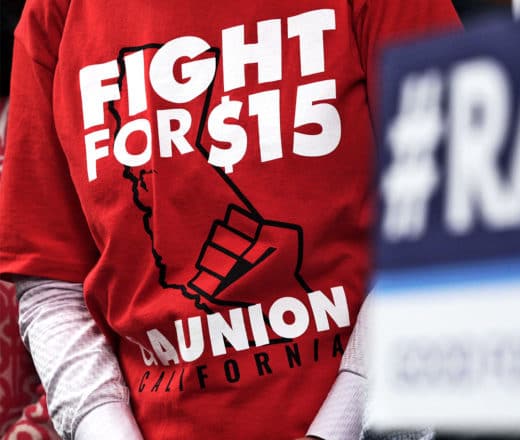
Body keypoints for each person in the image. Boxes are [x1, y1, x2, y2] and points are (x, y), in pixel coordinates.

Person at [0, 1, 461, 439]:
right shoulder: (55, 16)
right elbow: (51, 280)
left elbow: (455, 219)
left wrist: (339, 428)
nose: (144, 193)